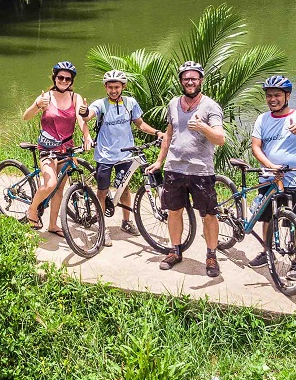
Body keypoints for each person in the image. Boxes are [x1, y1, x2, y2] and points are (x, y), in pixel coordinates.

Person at [146, 61, 226, 277]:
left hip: (201, 171)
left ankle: (211, 255)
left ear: (201, 80)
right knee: (174, 212)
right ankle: (175, 250)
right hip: (174, 168)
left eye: (194, 78)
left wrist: (203, 127)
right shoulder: (173, 104)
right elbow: (169, 134)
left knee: (209, 215)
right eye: (186, 78)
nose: (190, 82)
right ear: (181, 81)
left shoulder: (210, 107)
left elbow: (220, 139)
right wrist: (160, 161)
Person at [247, 75, 296, 279]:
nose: (272, 99)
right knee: (267, 218)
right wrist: (270, 166)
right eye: (269, 95)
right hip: (269, 178)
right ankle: (266, 250)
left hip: (292, 181)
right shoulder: (262, 119)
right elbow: (256, 147)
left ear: (287, 96)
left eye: (277, 95)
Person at [83, 69, 162, 246]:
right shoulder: (101, 104)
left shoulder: (130, 103)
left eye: (116, 87)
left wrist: (157, 132)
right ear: (105, 87)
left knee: (124, 189)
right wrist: (83, 112)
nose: (113, 90)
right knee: (102, 192)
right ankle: (102, 228)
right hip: (104, 155)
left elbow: (139, 124)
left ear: (123, 86)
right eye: (110, 87)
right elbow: (89, 115)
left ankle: (126, 222)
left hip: (125, 154)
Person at [21, 61, 93, 236]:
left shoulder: (75, 97)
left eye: (68, 78)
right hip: (47, 148)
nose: (64, 81)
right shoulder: (46, 97)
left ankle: (53, 224)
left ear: (72, 81)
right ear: (54, 77)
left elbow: (81, 119)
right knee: (50, 184)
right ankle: (32, 210)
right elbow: (25, 117)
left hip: (66, 148)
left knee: (59, 189)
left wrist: (87, 136)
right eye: (60, 77)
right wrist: (38, 106)